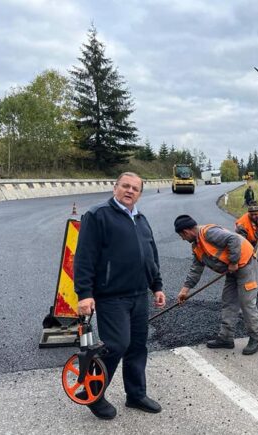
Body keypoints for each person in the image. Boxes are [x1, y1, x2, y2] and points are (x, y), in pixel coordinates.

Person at [74, 172, 166, 420]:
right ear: (115, 188)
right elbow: (84, 256)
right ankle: (92, 393)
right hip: (111, 296)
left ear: (140, 194)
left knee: (137, 346)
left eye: (135, 188)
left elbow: (151, 255)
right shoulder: (98, 215)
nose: (130, 191)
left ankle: (135, 395)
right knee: (116, 345)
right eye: (125, 186)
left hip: (139, 295)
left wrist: (156, 286)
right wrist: (84, 293)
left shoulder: (141, 219)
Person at [174, 215, 258, 355]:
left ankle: (256, 338)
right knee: (228, 301)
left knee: (246, 302)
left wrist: (233, 261)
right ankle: (226, 338)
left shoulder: (208, 233)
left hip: (245, 264)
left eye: (182, 236)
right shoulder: (196, 246)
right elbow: (196, 269)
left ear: (186, 232)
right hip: (232, 269)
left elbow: (233, 239)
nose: (182, 239)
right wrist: (184, 291)